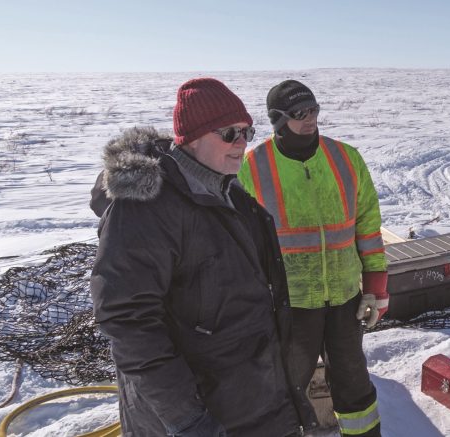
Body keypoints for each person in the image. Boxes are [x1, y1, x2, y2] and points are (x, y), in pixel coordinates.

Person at [90, 78, 317, 436]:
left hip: (251, 405)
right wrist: (187, 420)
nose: (241, 143)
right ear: (191, 138)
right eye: (229, 133)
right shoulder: (146, 209)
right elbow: (129, 322)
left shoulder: (231, 196)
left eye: (246, 132)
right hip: (200, 416)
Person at [238, 80, 388, 437]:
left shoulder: (346, 158)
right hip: (290, 307)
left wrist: (376, 287)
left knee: (355, 386)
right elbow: (242, 244)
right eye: (299, 113)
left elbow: (368, 226)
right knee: (283, 393)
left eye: (314, 110)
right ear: (278, 119)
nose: (310, 119)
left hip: (345, 300)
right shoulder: (252, 167)